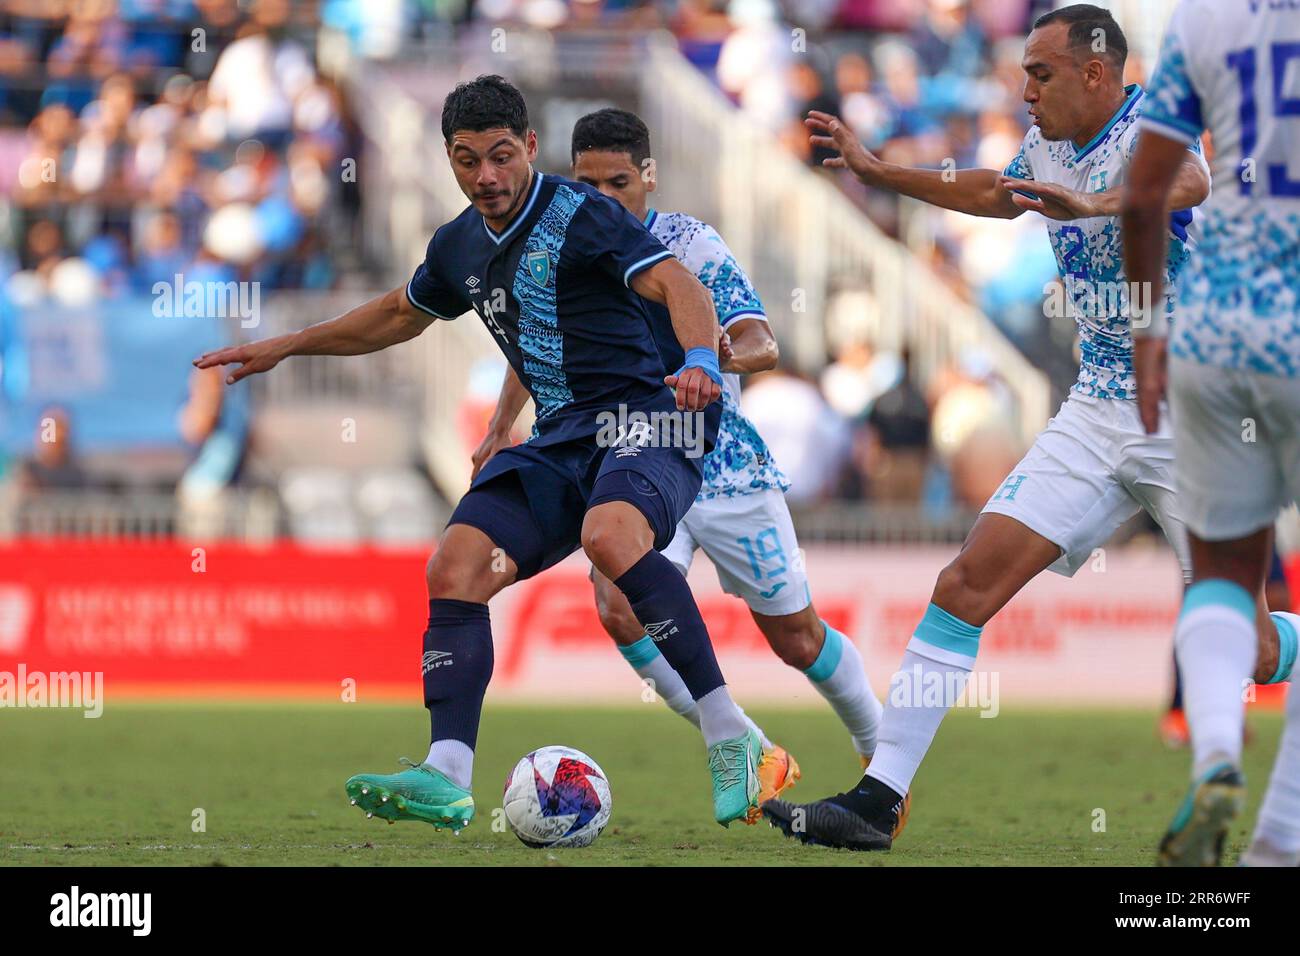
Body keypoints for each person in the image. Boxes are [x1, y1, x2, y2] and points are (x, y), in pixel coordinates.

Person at [764, 3, 1290, 852]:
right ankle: (879, 801)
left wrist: (1093, 204)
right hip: (1096, 406)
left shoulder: (1152, 124)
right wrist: (876, 170)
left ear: (1095, 71)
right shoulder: (1045, 143)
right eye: (1023, 74)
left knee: (1256, 648)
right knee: (964, 585)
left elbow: (1189, 182)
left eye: (1041, 73)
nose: (1026, 89)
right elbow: (989, 190)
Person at [194, 75, 764, 830]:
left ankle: (733, 739)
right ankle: (448, 772)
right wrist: (290, 345)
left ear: (529, 147)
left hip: (651, 416)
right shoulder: (459, 243)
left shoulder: (583, 213)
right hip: (563, 433)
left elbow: (677, 279)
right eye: (467, 161)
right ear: (450, 160)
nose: (486, 177)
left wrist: (697, 357)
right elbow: (399, 313)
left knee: (609, 537)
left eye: (500, 156)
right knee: (454, 566)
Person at [472, 108, 892, 821]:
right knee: (617, 607)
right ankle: (747, 747)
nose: (604, 198)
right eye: (587, 183)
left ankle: (885, 756)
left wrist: (703, 357)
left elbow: (761, 342)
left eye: (619, 182)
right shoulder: (560, 244)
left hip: (720, 466)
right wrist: (499, 424)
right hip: (626, 461)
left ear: (649, 178)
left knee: (796, 638)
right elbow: (537, 346)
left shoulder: (689, 244)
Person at [1123, 0, 1300, 867]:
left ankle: (1218, 752)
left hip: (1218, 328)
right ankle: (1280, 842)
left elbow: (1146, 187)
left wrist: (1150, 329)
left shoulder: (1204, 20)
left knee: (1224, 574)